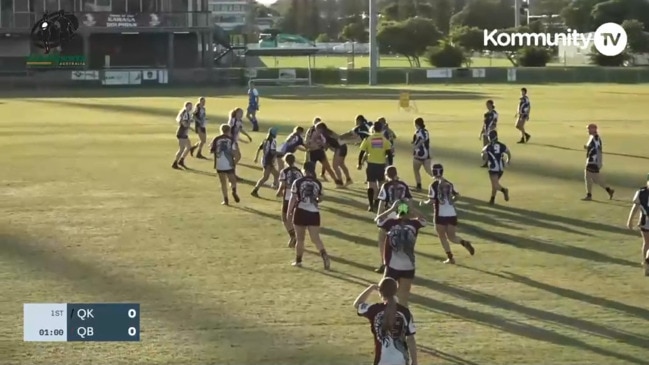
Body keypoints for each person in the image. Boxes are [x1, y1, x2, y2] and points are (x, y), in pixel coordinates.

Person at [353, 277, 418, 365]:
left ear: (380, 292)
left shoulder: (374, 310)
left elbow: (357, 304)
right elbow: (410, 338)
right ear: (395, 291)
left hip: (381, 361)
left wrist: (371, 287)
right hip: (401, 361)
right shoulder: (404, 312)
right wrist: (414, 361)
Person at [375, 200, 426, 307]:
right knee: (404, 297)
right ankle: (403, 318)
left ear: (397, 211)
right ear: (409, 213)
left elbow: (378, 219)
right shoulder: (414, 224)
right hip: (408, 265)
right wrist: (412, 209)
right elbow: (424, 219)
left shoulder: (391, 223)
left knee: (384, 292)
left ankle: (389, 313)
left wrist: (391, 209)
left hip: (392, 265)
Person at [421, 163, 475, 264]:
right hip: (451, 213)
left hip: (440, 214)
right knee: (452, 237)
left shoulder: (433, 185)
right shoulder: (449, 183)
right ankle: (464, 242)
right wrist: (451, 201)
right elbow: (457, 196)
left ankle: (450, 258)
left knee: (442, 236)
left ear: (433, 172)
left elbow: (432, 200)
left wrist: (424, 202)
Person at [286, 161, 331, 269]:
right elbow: (320, 198)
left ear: (304, 170)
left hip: (300, 211)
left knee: (300, 239)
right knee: (316, 238)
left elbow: (293, 198)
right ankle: (324, 255)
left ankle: (298, 261)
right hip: (314, 212)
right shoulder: (318, 183)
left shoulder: (298, 182)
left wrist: (289, 212)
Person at [374, 166, 412, 273]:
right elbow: (409, 201)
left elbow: (382, 202)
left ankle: (384, 263)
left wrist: (379, 216)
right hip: (402, 210)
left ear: (386, 175)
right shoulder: (403, 185)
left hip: (390, 211)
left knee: (382, 238)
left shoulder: (386, 186)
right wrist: (407, 213)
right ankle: (402, 263)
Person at [358, 121, 393, 212]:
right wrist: (391, 165)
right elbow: (389, 153)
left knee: (371, 185)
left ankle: (371, 205)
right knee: (382, 185)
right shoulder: (385, 140)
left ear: (373, 129)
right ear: (381, 129)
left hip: (371, 165)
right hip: (381, 165)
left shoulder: (368, 139)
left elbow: (361, 152)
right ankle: (380, 202)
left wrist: (359, 163)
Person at [305, 118, 343, 186]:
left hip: (320, 152)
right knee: (311, 169)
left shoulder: (323, 134)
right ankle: (313, 183)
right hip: (312, 153)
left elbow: (326, 143)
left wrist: (323, 145)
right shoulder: (310, 132)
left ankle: (336, 181)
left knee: (328, 167)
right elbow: (307, 143)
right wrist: (313, 145)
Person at [276, 153, 304, 248]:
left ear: (285, 161)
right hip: (299, 197)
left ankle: (293, 236)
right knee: (294, 218)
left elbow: (282, 185)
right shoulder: (299, 171)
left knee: (285, 217)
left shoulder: (284, 171)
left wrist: (279, 192)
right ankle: (297, 237)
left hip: (288, 197)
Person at [209, 124, 240, 205]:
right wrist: (234, 160)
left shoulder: (216, 139)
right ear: (229, 131)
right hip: (229, 163)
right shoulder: (231, 140)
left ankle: (225, 199)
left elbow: (212, 151)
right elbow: (235, 153)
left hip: (219, 164)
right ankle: (233, 191)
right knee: (233, 180)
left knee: (223, 182)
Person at [583, 123, 614, 201]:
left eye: (589, 129)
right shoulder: (592, 137)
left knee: (589, 177)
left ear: (594, 129)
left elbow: (598, 149)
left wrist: (598, 161)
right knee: (594, 179)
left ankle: (589, 195)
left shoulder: (595, 137)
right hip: (591, 160)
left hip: (593, 161)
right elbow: (591, 147)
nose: (588, 130)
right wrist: (587, 147)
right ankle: (608, 190)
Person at [626, 175, 649, 276]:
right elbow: (635, 207)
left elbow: (635, 206)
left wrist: (630, 220)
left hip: (644, 221)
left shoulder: (641, 192)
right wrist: (630, 220)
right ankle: (647, 262)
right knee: (647, 242)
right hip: (645, 221)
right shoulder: (641, 193)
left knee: (646, 243)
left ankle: (646, 263)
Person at [481, 130, 511, 205]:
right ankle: (492, 199)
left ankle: (504, 190)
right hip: (501, 168)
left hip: (493, 167)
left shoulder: (488, 146)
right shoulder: (501, 145)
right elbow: (508, 152)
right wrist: (508, 160)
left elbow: (483, 156)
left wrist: (484, 157)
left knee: (495, 184)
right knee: (495, 184)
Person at [251, 127, 279, 196]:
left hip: (264, 159)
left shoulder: (265, 140)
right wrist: (279, 154)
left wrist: (256, 158)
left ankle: (275, 186)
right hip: (268, 160)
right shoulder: (273, 141)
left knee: (276, 174)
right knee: (265, 177)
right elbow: (273, 152)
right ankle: (255, 190)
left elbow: (259, 148)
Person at [228, 108, 253, 177]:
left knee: (237, 156)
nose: (241, 114)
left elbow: (240, 129)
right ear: (236, 113)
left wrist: (247, 136)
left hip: (234, 141)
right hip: (231, 141)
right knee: (237, 156)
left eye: (242, 113)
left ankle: (231, 171)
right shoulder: (233, 120)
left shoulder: (240, 121)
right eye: (240, 113)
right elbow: (229, 130)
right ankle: (231, 171)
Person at [411, 117, 433, 191]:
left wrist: (415, 147)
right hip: (426, 155)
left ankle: (419, 185)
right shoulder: (424, 131)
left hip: (419, 154)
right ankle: (440, 181)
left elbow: (422, 140)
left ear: (416, 124)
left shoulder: (419, 132)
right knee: (429, 171)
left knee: (416, 170)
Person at [172, 101, 194, 169]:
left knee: (189, 146)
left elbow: (184, 122)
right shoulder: (185, 113)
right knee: (182, 149)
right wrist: (190, 124)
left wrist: (190, 126)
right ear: (186, 106)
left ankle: (181, 160)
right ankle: (175, 163)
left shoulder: (186, 113)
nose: (191, 107)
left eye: (191, 106)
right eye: (189, 106)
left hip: (184, 133)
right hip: (182, 133)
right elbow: (184, 124)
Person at [479, 99, 498, 168]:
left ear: (491, 105)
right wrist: (482, 132)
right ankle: (486, 162)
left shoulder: (494, 113)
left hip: (492, 133)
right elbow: (484, 124)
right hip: (486, 132)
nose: (487, 106)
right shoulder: (486, 114)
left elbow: (494, 123)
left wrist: (491, 131)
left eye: (488, 104)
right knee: (485, 148)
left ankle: (497, 161)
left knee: (492, 148)